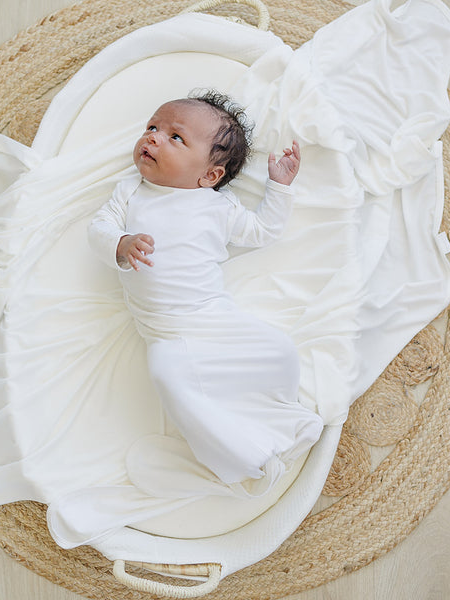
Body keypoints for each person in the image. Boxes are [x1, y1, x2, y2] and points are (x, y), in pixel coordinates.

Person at [88, 91, 324, 493]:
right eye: (152, 127)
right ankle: (240, 453)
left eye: (176, 138)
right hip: (166, 333)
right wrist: (121, 244)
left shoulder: (218, 207)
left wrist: (280, 187)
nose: (154, 138)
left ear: (209, 176)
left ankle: (276, 416)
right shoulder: (131, 192)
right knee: (167, 374)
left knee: (278, 349)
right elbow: (98, 228)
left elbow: (263, 231)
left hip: (213, 317)